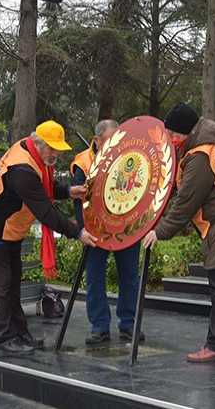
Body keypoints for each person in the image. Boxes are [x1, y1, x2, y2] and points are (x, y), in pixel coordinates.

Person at [0, 120, 98, 355]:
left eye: (58, 149)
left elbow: (45, 185)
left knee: (13, 283)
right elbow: (46, 212)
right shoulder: (22, 170)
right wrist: (77, 232)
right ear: (38, 143)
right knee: (1, 286)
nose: (56, 154)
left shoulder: (30, 150)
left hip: (9, 229)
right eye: (52, 148)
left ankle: (20, 334)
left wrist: (68, 191)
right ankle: (4, 339)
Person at [142, 103, 215, 363]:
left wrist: (160, 232)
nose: (170, 139)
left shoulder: (200, 156)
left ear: (186, 132)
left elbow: (186, 203)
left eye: (173, 134)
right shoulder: (208, 144)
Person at [69, 119, 145, 346]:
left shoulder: (128, 155)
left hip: (125, 227)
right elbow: (78, 202)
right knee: (94, 278)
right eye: (110, 139)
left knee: (130, 276)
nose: (115, 143)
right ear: (97, 139)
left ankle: (128, 324)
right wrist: (83, 230)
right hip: (95, 231)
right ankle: (99, 326)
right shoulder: (82, 163)